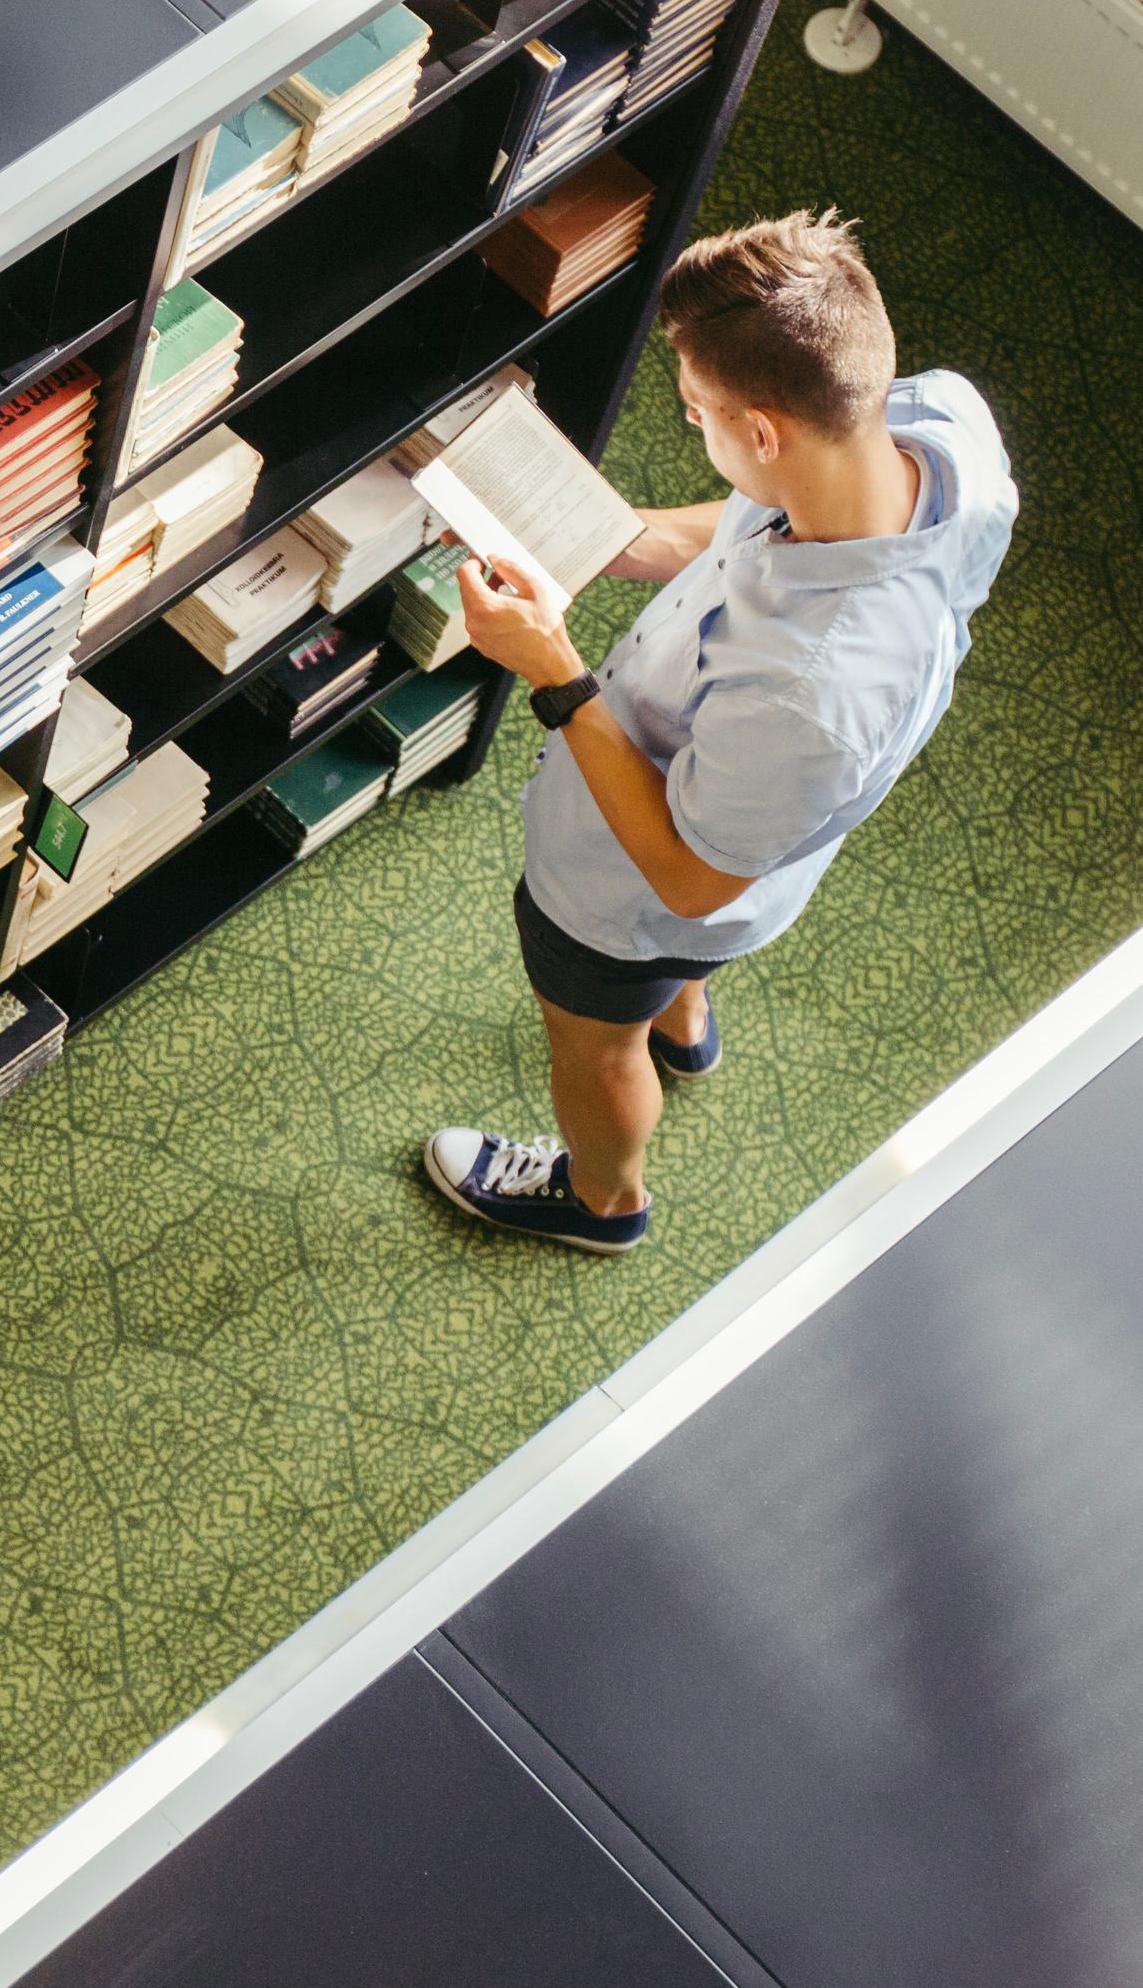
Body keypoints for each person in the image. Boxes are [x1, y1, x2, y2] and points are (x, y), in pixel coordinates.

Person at [424, 209, 1016, 1253]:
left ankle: (601, 1199)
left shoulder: (809, 696)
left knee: (596, 1046)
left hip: (630, 896)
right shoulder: (936, 427)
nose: (688, 420)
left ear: (761, 432)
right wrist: (620, 540)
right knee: (682, 967)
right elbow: (758, 513)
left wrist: (555, 671)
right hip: (766, 832)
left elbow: (691, 880)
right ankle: (684, 1018)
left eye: (696, 409)